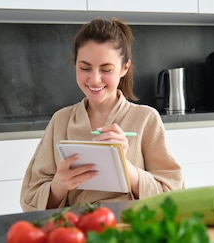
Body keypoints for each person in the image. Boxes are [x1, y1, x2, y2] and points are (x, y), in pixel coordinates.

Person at [20, 17, 185, 212]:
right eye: (84, 68)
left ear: (125, 68)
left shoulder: (146, 119)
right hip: (76, 232)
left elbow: (174, 196)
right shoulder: (60, 121)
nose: (95, 79)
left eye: (106, 69)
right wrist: (59, 185)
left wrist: (126, 167)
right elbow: (29, 199)